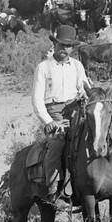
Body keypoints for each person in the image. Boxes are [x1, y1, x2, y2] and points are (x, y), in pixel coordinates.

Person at [29, 24, 93, 199]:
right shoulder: (44, 67)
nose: (64, 49)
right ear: (55, 44)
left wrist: (88, 93)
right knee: (58, 142)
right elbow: (36, 99)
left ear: (73, 48)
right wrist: (49, 122)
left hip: (76, 109)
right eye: (61, 45)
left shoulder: (78, 66)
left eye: (68, 46)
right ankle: (53, 188)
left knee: (96, 135)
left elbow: (85, 87)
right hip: (54, 111)